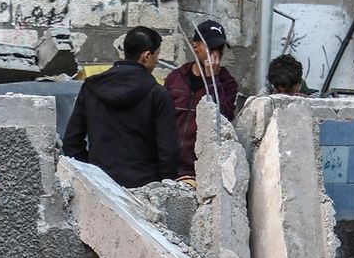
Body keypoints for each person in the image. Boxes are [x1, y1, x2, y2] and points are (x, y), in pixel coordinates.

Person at [62, 26, 179, 188]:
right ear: (146, 56)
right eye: (157, 54)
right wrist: (162, 188)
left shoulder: (91, 87)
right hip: (145, 188)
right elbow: (168, 151)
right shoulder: (158, 95)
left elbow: (71, 142)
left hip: (101, 186)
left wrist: (91, 172)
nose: (157, 61)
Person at [164, 20, 239, 180]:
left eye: (220, 49)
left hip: (202, 169)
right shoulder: (176, 78)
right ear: (195, 47)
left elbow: (223, 119)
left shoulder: (227, 83)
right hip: (169, 166)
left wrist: (212, 80)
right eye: (211, 48)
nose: (216, 54)